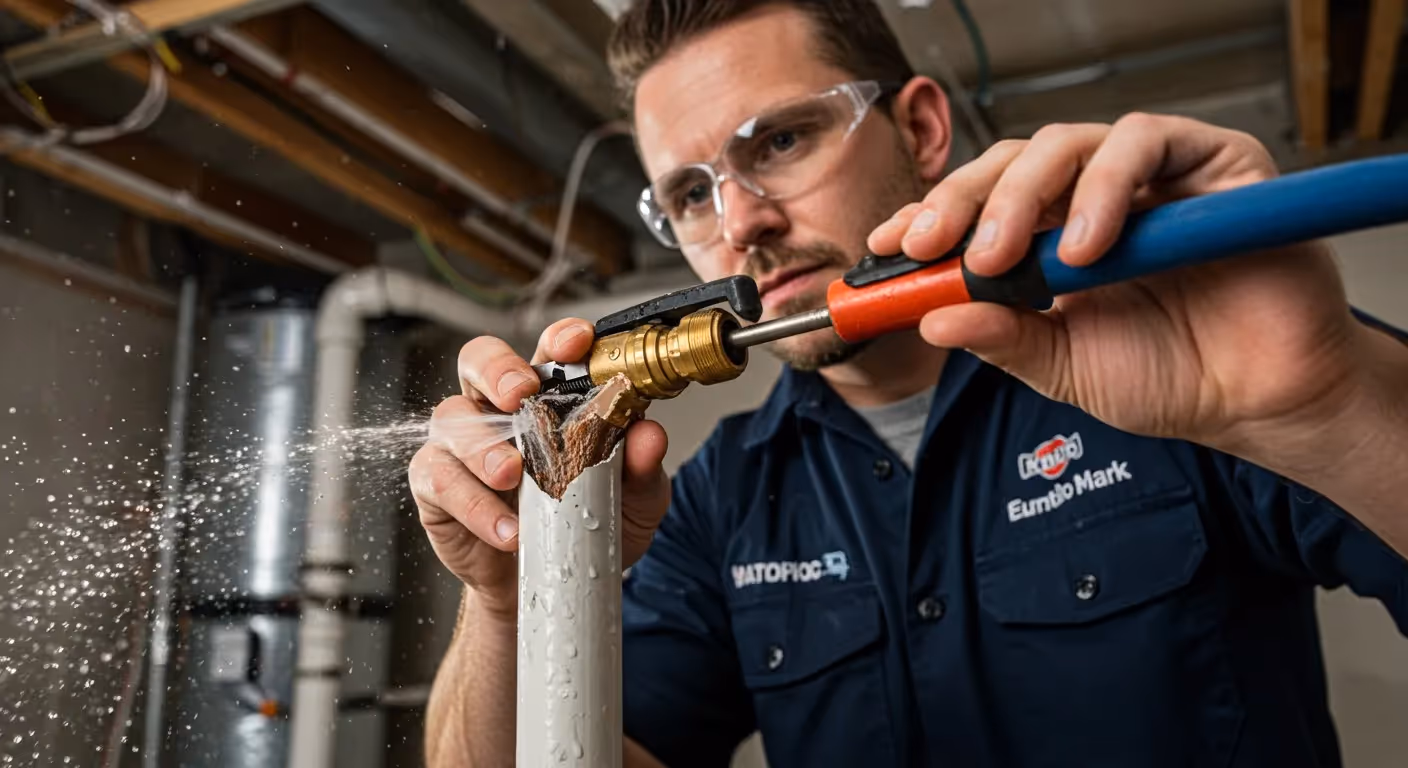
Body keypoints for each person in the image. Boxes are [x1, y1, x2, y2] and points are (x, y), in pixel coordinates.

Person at [408, 1, 1408, 766]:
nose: (741, 222)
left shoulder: (1172, 375)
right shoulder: (720, 499)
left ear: (923, 127)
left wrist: (1332, 402)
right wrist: (507, 596)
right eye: (691, 194)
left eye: (780, 141)